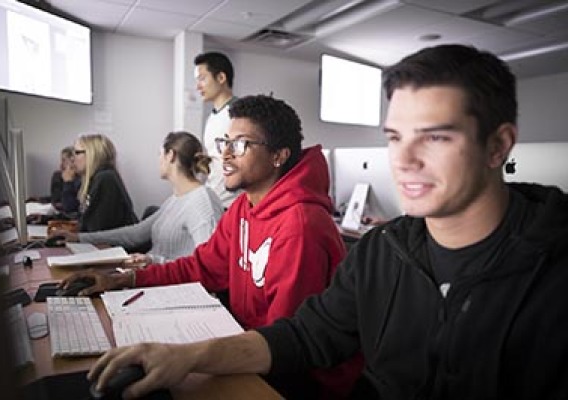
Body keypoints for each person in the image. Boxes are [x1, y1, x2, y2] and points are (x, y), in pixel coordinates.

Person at [87, 44, 568, 399]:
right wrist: (187, 356)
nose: (405, 160)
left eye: (435, 138)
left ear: (499, 146)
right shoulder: (385, 251)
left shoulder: (553, 273)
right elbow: (302, 336)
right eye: (395, 138)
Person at [64, 95, 362, 398]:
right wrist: (125, 279)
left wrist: (191, 356)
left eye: (241, 144)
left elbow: (286, 345)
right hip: (252, 349)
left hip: (298, 381)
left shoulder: (300, 226)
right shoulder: (244, 207)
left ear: (278, 156)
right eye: (224, 143)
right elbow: (201, 266)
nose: (225, 155)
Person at [59, 131, 223, 264]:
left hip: (174, 289)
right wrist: (79, 238)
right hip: (155, 278)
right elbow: (137, 233)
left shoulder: (202, 201)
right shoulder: (175, 199)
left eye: (159, 154)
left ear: (170, 155)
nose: (158, 159)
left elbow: (210, 264)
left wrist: (154, 261)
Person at [194, 51, 242, 208]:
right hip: (214, 198)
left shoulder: (239, 113)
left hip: (231, 203)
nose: (198, 86)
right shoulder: (212, 118)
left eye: (202, 79)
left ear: (221, 78)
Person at [73, 133, 138, 232]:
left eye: (77, 153)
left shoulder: (105, 179)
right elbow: (84, 219)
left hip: (111, 246)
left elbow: (97, 229)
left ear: (93, 154)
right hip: (102, 244)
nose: (73, 158)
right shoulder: (96, 179)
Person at [49, 145, 80, 213]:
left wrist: (68, 181)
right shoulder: (58, 175)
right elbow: (56, 198)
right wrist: (40, 200)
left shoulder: (81, 178)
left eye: (64, 160)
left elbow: (70, 207)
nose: (61, 164)